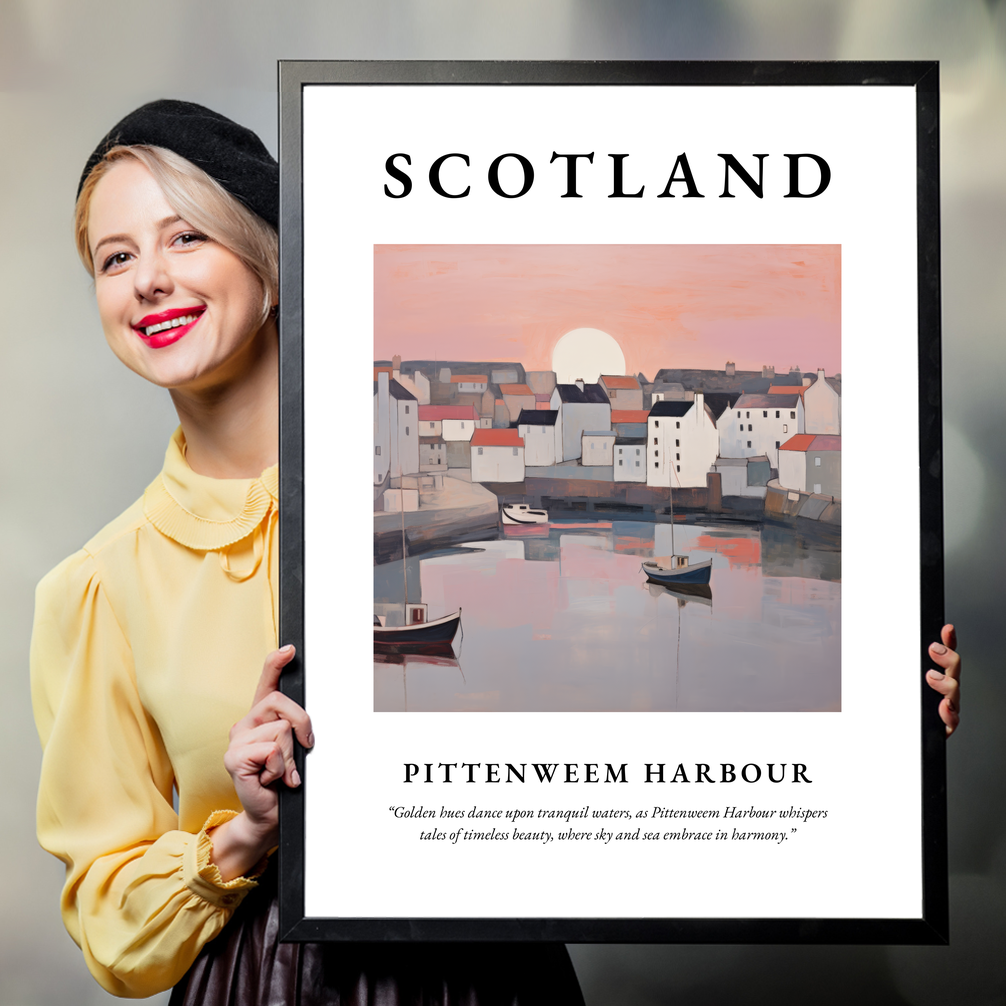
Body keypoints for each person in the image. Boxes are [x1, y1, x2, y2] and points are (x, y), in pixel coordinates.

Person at [30, 100, 585, 1004]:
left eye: (186, 237)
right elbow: (111, 923)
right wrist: (245, 833)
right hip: (266, 981)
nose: (149, 281)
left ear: (272, 263)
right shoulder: (98, 587)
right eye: (115, 258)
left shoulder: (435, 501)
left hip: (491, 971)